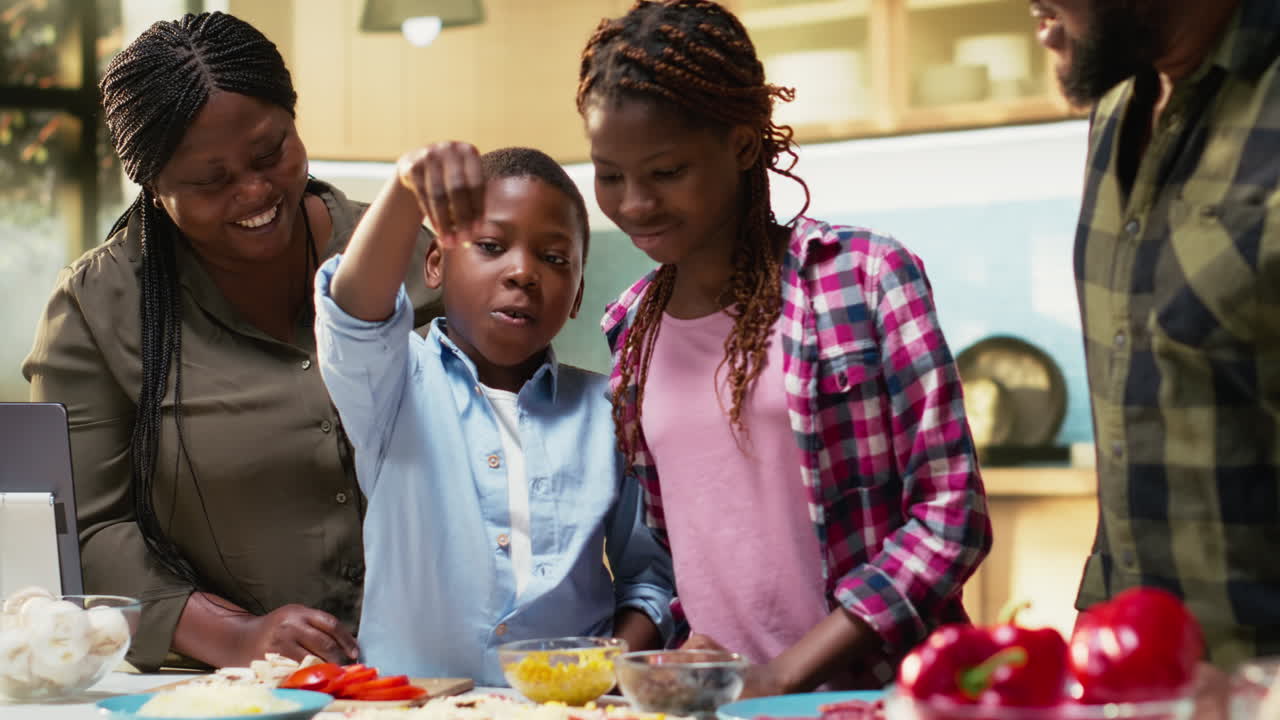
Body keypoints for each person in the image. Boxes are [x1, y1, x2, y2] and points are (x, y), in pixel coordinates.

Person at [570, 0, 992, 695]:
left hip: (878, 694)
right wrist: (694, 656)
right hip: (719, 705)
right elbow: (695, 552)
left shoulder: (867, 278)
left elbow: (953, 519)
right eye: (610, 175)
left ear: (740, 146)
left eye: (666, 171)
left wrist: (780, 675)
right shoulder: (631, 327)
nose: (635, 202)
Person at [22, 12, 439, 672]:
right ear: (154, 187)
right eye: (210, 181)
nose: (254, 192)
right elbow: (85, 531)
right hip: (231, 691)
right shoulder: (96, 312)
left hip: (454, 670)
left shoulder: (413, 258)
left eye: (271, 152)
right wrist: (237, 636)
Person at [314, 141, 676, 684]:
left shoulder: (610, 411)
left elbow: (650, 579)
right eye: (490, 245)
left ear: (577, 293)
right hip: (411, 709)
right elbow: (353, 315)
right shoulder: (391, 383)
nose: (523, 273)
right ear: (435, 261)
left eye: (554, 259)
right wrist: (406, 190)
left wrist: (599, 675)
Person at [1030, 0, 1280, 667]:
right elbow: (1139, 421)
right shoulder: (1117, 111)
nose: (1034, 13)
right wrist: (1098, 617)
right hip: (1140, 675)